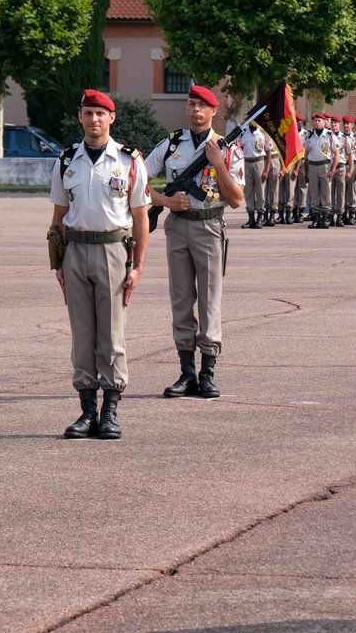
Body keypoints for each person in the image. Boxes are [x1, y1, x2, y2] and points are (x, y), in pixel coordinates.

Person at [49, 90, 151, 440]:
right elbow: (58, 217)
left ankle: (110, 411)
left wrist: (137, 266)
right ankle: (87, 411)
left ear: (112, 118)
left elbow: (141, 219)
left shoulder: (129, 161)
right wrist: (57, 263)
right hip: (76, 251)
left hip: (112, 252)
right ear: (80, 116)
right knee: (82, 334)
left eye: (100, 114)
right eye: (88, 113)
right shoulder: (66, 161)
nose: (94, 119)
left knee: (110, 334)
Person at [146, 85, 242, 400]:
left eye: (203, 106)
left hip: (210, 227)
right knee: (181, 299)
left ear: (214, 112)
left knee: (210, 300)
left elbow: (236, 200)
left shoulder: (228, 148)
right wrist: (165, 201)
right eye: (192, 104)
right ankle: (186, 373)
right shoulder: (172, 143)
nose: (196, 110)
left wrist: (218, 164)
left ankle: (208, 374)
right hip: (177, 227)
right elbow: (137, 180)